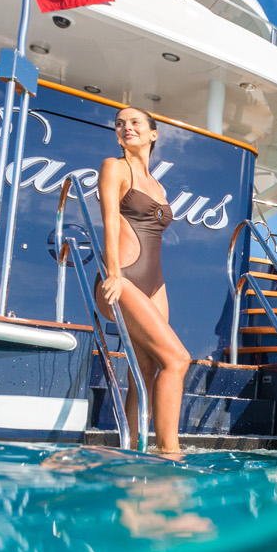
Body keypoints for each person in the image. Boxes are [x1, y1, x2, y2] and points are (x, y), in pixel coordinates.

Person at [94, 106, 193, 454]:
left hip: (154, 283)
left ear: (153, 135)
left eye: (135, 123)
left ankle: (132, 449)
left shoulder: (159, 186)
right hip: (123, 277)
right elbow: (108, 220)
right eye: (120, 124)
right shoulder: (114, 167)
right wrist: (113, 274)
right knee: (178, 360)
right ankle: (170, 452)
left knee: (148, 365)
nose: (126, 127)